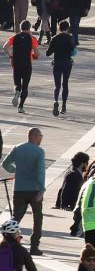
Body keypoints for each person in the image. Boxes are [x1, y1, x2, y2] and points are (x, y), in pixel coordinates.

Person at [1, 127, 44, 256]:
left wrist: (15, 170)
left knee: (16, 217)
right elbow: (41, 172)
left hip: (19, 188)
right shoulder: (39, 152)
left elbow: (5, 164)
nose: (41, 138)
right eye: (40, 136)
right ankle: (34, 246)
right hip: (34, 189)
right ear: (35, 136)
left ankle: (7, 242)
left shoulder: (17, 148)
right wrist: (41, 190)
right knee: (37, 218)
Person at [4, 20, 38, 113]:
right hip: (27, 64)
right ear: (29, 28)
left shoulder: (15, 37)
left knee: (17, 84)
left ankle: (16, 92)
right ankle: (21, 107)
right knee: (25, 86)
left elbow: (5, 46)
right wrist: (35, 56)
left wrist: (11, 55)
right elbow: (37, 52)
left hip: (16, 64)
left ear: (21, 28)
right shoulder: (32, 38)